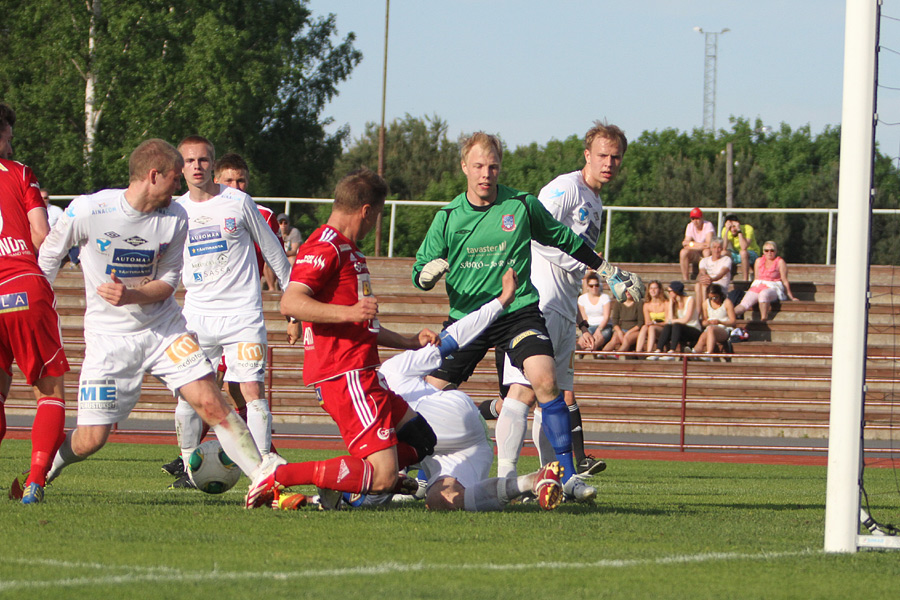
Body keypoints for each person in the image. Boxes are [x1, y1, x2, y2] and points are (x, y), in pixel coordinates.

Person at [410, 131, 643, 502]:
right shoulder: (448, 217)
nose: (486, 174)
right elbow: (420, 269)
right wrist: (425, 275)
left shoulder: (520, 204)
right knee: (424, 393)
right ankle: (414, 474)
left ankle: (565, 476)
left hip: (517, 312)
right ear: (464, 168)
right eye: (479, 166)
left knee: (546, 383)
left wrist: (606, 268)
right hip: (467, 318)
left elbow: (562, 237)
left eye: (493, 166)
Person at [38, 139, 272, 494]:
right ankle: (43, 473)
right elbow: (49, 257)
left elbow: (168, 283)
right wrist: (40, 309)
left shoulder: (175, 218)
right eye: (175, 178)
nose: (180, 187)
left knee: (212, 402)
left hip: (164, 331)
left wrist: (131, 295)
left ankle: (265, 483)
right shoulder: (88, 210)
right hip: (109, 339)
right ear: (153, 176)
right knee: (91, 439)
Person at [245, 169, 440, 509]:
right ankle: (278, 476)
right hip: (346, 375)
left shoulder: (348, 250)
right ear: (366, 211)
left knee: (422, 439)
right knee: (382, 478)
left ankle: (344, 483)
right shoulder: (325, 246)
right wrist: (350, 312)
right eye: (377, 215)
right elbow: (291, 302)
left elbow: (362, 324)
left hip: (363, 371)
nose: (375, 223)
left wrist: (409, 342)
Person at [301, 269, 564, 512]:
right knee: (442, 500)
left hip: (450, 418)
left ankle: (315, 487)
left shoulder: (392, 370)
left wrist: (501, 302)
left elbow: (453, 339)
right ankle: (532, 482)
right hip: (465, 447)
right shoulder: (349, 396)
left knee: (382, 466)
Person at [164, 136, 292, 489]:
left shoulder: (239, 202)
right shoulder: (174, 210)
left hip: (242, 316)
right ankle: (191, 466)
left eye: (203, 160)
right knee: (191, 395)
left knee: (252, 391)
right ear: (181, 166)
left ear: (213, 164)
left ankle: (263, 470)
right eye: (190, 161)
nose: (197, 166)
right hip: (196, 318)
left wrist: (294, 305)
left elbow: (274, 254)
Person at [0, 102, 69, 504]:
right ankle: (36, 481)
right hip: (22, 286)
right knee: (50, 390)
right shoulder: (20, 172)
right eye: (9, 132)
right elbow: (42, 235)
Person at [214, 152, 283, 291]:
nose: (235, 187)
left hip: (247, 300)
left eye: (240, 181)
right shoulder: (200, 214)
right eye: (228, 181)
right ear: (216, 181)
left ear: (247, 182)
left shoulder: (264, 216)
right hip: (207, 300)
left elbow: (279, 261)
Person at [734, 241, 797, 321]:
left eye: (772, 250)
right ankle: (729, 316)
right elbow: (756, 278)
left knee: (764, 294)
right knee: (745, 302)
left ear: (776, 251)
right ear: (763, 251)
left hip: (773, 286)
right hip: (759, 285)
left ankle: (763, 318)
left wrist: (790, 296)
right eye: (766, 250)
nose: (769, 253)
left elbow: (784, 280)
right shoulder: (758, 261)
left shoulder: (780, 262)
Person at [649, 281, 701, 360]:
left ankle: (672, 351)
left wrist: (671, 321)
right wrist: (670, 304)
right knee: (668, 326)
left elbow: (686, 319)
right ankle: (658, 350)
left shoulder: (690, 300)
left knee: (676, 324)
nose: (668, 293)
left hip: (693, 328)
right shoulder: (674, 302)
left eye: (670, 291)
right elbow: (669, 320)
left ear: (676, 291)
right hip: (680, 329)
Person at [693, 284, 737, 359]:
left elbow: (733, 322)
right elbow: (704, 322)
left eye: (715, 297)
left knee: (711, 329)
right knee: (702, 338)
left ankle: (709, 353)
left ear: (720, 295)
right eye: (711, 298)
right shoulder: (705, 303)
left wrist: (720, 322)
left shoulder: (727, 303)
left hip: (724, 328)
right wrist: (707, 322)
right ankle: (694, 352)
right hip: (710, 328)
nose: (713, 300)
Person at [576, 272, 613, 354]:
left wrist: (599, 329)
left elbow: (606, 317)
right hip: (589, 325)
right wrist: (585, 331)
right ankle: (581, 350)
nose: (594, 288)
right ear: (587, 286)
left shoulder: (604, 298)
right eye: (591, 286)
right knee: (582, 339)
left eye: (596, 285)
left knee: (597, 338)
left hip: (604, 326)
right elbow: (584, 317)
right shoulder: (582, 299)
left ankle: (589, 350)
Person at [602, 290, 644, 355]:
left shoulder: (639, 303)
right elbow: (615, 321)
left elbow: (640, 323)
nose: (628, 292)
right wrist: (619, 332)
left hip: (634, 330)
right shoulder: (618, 303)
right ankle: (602, 354)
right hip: (622, 329)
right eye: (625, 291)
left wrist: (628, 333)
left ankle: (617, 355)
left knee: (626, 339)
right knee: (614, 338)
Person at [721, 213, 760, 282]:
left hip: (752, 253)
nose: (732, 229)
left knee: (743, 252)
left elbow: (744, 247)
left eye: (734, 226)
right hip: (737, 253)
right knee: (724, 253)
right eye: (730, 227)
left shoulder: (748, 228)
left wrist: (739, 230)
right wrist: (727, 230)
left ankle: (745, 280)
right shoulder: (725, 230)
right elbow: (724, 247)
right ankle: (725, 279)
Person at [680, 207, 714, 280]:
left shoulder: (708, 225)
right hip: (697, 254)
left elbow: (708, 244)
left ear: (702, 218)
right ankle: (685, 279)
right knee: (683, 252)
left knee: (706, 252)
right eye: (693, 219)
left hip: (708, 253)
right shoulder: (690, 226)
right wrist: (700, 245)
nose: (695, 221)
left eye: (697, 218)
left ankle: (705, 277)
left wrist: (692, 244)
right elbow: (685, 243)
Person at [694, 237, 733, 301]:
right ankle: (700, 310)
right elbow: (701, 272)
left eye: (719, 247)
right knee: (698, 285)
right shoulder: (704, 260)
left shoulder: (726, 259)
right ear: (711, 248)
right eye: (714, 247)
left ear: (722, 249)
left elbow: (721, 274)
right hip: (708, 283)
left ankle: (705, 308)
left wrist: (712, 279)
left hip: (720, 286)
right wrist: (704, 278)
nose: (717, 250)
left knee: (705, 285)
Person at [636, 280, 668, 356]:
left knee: (652, 328)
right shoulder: (647, 305)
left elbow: (668, 321)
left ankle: (649, 352)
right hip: (652, 326)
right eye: (651, 288)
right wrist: (652, 323)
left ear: (660, 290)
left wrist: (656, 323)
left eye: (655, 288)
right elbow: (647, 322)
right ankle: (638, 351)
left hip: (664, 328)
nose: (653, 291)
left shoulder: (666, 303)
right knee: (644, 327)